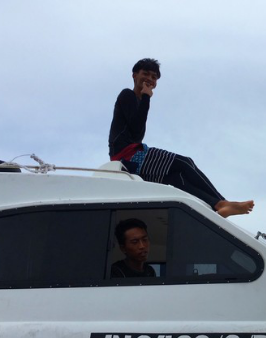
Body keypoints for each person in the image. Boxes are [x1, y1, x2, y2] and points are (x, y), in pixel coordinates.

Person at [108, 58, 254, 218]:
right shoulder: (127, 95)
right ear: (134, 75)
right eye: (146, 74)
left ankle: (216, 208)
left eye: (154, 77)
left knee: (176, 178)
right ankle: (222, 203)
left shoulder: (139, 100)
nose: (149, 79)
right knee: (185, 162)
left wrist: (144, 99)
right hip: (127, 155)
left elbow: (135, 129)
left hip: (130, 158)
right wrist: (146, 97)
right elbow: (136, 129)